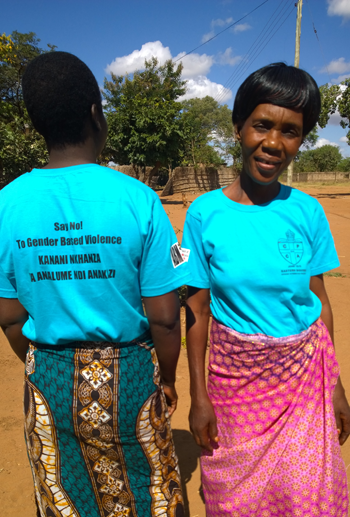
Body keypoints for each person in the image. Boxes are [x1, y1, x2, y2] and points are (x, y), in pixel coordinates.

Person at [0, 51, 189, 517]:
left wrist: (46, 362)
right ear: (95, 114)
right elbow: (165, 319)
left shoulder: (6, 203)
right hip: (130, 380)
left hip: (47, 382)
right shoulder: (139, 200)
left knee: (63, 490)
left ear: (34, 124)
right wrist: (164, 378)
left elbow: (8, 315)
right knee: (149, 490)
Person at [182, 63, 350, 517]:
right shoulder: (203, 215)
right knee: (236, 499)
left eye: (291, 132)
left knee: (304, 497)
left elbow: (320, 304)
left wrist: (332, 384)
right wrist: (199, 398)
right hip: (236, 389)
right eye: (262, 125)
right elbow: (195, 311)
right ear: (238, 127)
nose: (274, 143)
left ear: (301, 140)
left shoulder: (308, 213)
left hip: (302, 382)